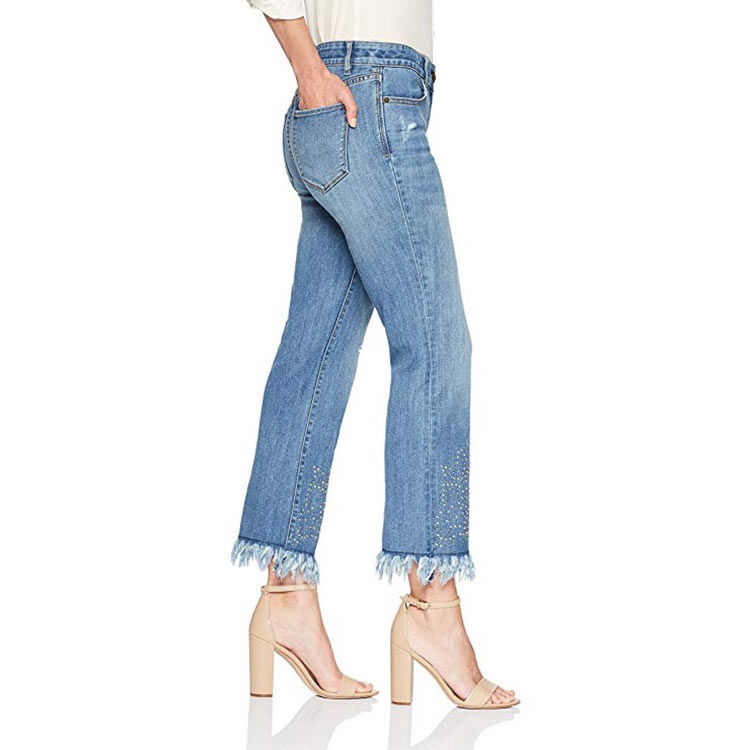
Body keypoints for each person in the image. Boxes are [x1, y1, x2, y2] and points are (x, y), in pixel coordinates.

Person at [232, 0, 518, 708]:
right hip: (369, 102)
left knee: (316, 353)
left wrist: (315, 75)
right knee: (434, 345)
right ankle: (433, 607)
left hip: (353, 104)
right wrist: (307, 68)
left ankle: (285, 598)